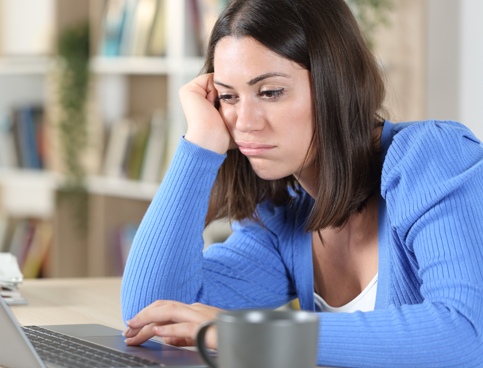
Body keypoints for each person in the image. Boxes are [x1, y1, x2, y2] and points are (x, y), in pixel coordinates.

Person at [120, 0, 483, 366]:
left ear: (335, 84)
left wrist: (244, 331)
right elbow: (151, 315)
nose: (244, 122)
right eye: (228, 96)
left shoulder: (432, 157)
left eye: (270, 92)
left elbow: (466, 332)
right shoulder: (284, 216)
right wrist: (199, 145)